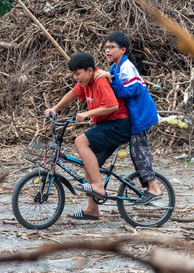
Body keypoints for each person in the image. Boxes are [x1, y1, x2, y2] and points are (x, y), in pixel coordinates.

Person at [44, 52, 131, 220]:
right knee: (90, 162)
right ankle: (92, 209)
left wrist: (87, 113)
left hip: (119, 124)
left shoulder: (100, 81)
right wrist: (55, 108)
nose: (76, 78)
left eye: (78, 73)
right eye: (73, 75)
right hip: (108, 125)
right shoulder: (86, 83)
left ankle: (98, 186)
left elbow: (112, 106)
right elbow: (73, 93)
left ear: (90, 70)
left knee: (80, 142)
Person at [95, 31, 162, 203]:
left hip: (142, 115)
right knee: (134, 152)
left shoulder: (126, 67)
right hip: (134, 115)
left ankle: (154, 188)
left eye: (112, 47)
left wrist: (110, 79)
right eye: (106, 47)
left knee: (139, 151)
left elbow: (129, 91)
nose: (107, 51)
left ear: (123, 50)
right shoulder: (114, 67)